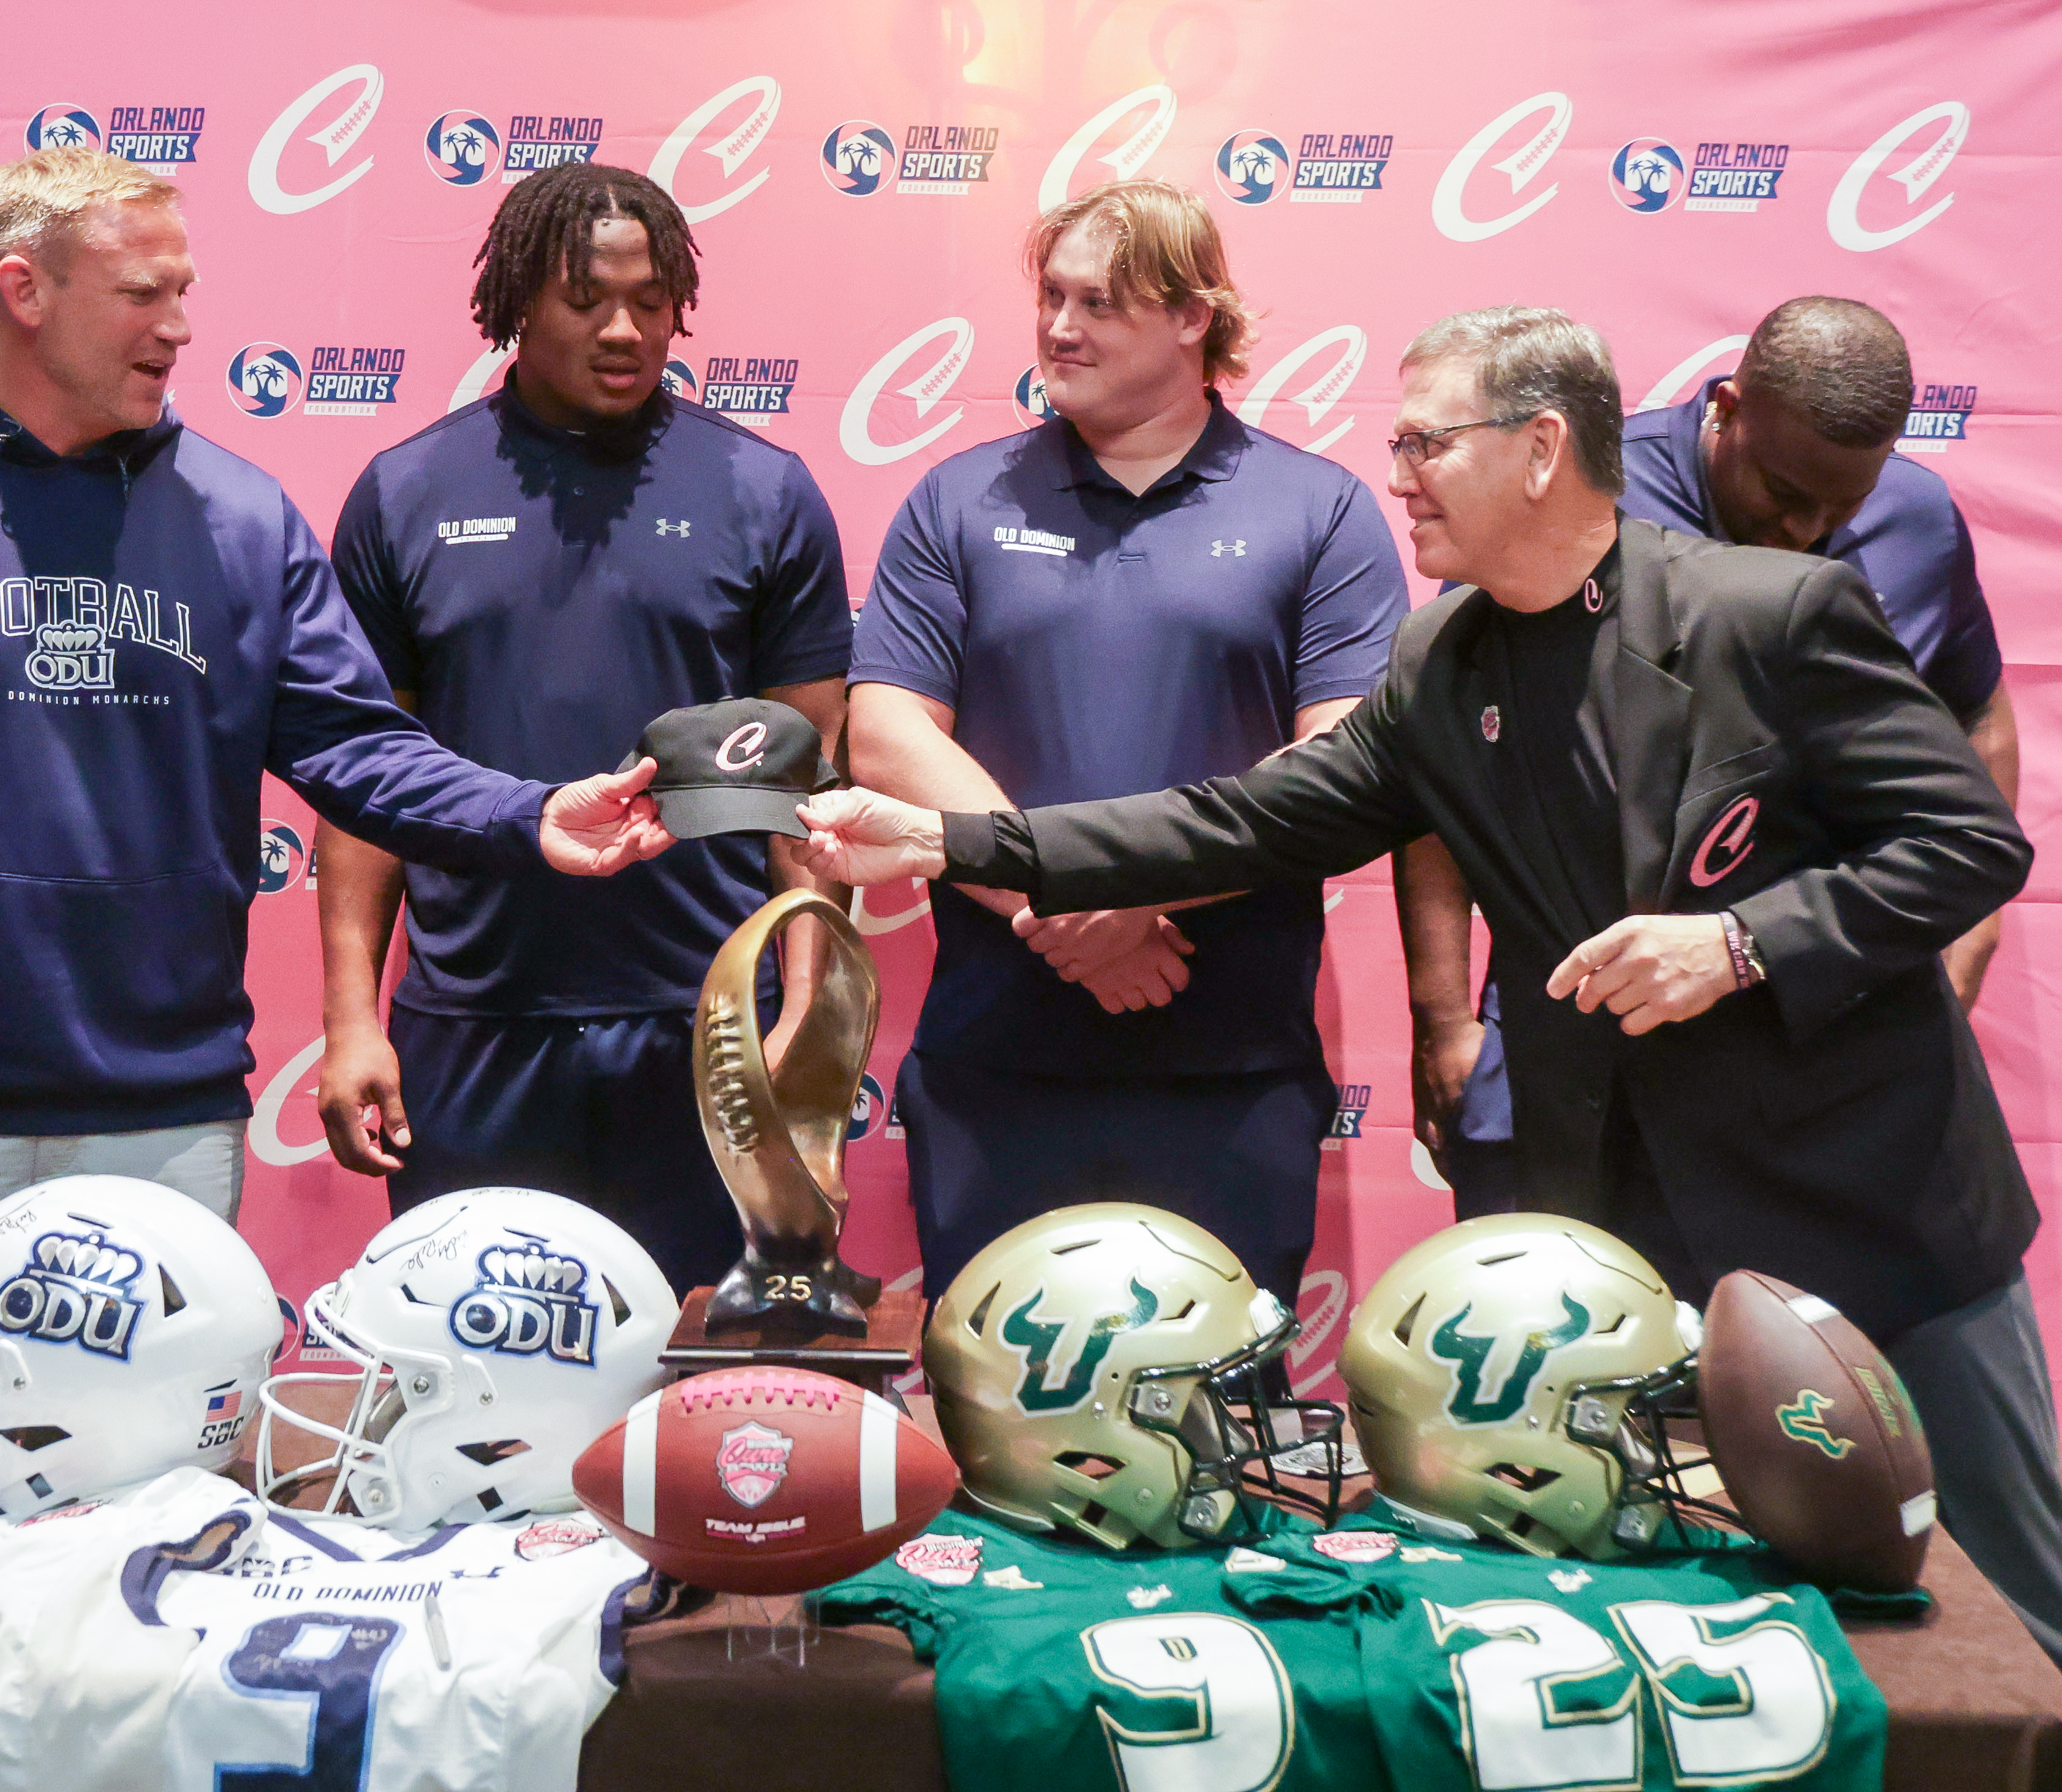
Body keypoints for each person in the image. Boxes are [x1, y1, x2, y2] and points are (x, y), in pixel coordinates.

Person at [795, 307, 2062, 1661]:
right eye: (1393, 440)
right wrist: (957, 841)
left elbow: (1966, 843)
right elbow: (1242, 822)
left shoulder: (1769, 612)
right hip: (1629, 1240)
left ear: (1536, 449)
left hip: (1864, 1201)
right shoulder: (1439, 662)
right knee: (1698, 1611)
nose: (1394, 470)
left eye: (1424, 440)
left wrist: (1739, 941)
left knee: (2008, 1600)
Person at [0, 149, 673, 1268]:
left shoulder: (239, 519)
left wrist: (525, 815)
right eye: (142, 293)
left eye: (185, 289)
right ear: (25, 290)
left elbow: (355, 745)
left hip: (164, 1118)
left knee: (158, 1450)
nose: (182, 325)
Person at [844, 179, 1404, 1301]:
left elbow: (1343, 769)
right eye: (1051, 295)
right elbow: (885, 735)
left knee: (1214, 1431)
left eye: (1097, 301)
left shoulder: (1322, 509)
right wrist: (1057, 903)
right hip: (995, 1063)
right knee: (992, 1425)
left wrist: (1136, 894)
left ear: (1194, 317)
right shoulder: (958, 499)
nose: (1058, 326)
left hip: (1231, 1067)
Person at [312, 163, 852, 1292]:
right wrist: (353, 1021)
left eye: (651, 302)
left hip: (707, 1029)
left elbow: (811, 783)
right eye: (586, 299)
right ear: (518, 302)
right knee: (482, 1381)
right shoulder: (404, 491)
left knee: (697, 1400)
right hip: (474, 1030)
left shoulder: (765, 491)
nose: (625, 329)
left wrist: (803, 1007)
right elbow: (366, 783)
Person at [1399, 297, 2017, 1213]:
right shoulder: (1585, 500)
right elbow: (1450, 759)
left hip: (1825, 1045)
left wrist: (1967, 933)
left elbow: (1980, 717)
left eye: (1842, 505)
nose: (1807, 529)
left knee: (1815, 1351)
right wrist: (1445, 1013)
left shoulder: (1918, 518)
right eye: (1782, 492)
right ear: (1725, 409)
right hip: (1589, 1035)